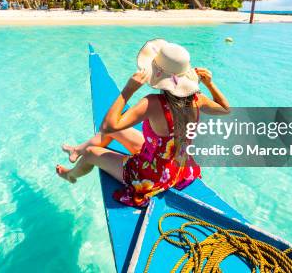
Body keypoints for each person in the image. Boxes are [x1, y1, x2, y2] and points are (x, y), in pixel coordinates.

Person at [57, 39, 230, 207]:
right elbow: (225, 109)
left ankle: (71, 175)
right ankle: (76, 150)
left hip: (150, 176)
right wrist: (210, 84)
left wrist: (128, 90)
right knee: (117, 132)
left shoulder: (152, 103)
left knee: (90, 153)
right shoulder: (197, 99)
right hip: (177, 167)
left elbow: (106, 126)